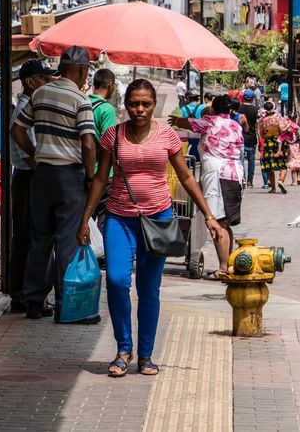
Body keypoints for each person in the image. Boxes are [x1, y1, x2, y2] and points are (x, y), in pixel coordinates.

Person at [77, 79, 225, 377]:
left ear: (154, 104)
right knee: (117, 281)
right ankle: (122, 349)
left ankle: (145, 354)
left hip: (158, 219)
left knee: (148, 289)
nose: (140, 109)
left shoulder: (167, 136)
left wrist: (209, 215)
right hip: (119, 218)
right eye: (134, 104)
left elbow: (185, 178)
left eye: (145, 104)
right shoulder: (113, 135)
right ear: (125, 105)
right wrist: (85, 219)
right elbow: (99, 178)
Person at [11, 46, 97, 322]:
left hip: (43, 176)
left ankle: (34, 301)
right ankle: (66, 306)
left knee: (40, 240)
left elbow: (17, 130)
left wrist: (35, 155)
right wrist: (89, 175)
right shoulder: (80, 100)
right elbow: (87, 143)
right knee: (66, 242)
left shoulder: (40, 94)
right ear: (82, 70)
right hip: (69, 177)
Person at [169, 95, 243, 277]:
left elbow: (185, 123)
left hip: (216, 174)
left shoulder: (209, 122)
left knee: (217, 221)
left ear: (214, 109)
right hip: (235, 174)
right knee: (225, 222)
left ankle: (223, 268)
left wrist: (176, 120)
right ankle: (227, 263)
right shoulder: (236, 125)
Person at [8, 59, 57, 313]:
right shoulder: (26, 108)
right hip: (27, 176)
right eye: (43, 78)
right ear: (30, 82)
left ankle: (23, 293)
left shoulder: (32, 105)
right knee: (27, 237)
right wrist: (35, 158)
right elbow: (19, 134)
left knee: (28, 237)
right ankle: (22, 295)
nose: (48, 81)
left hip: (28, 176)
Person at [89, 69, 118, 233]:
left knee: (86, 215)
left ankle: (85, 256)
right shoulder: (106, 109)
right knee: (103, 216)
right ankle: (100, 256)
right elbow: (108, 142)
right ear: (110, 85)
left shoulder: (83, 102)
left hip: (83, 169)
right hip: (102, 172)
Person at [258, 102, 288, 194]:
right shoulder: (280, 119)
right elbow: (283, 131)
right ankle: (281, 180)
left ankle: (273, 188)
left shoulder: (262, 120)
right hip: (279, 143)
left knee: (270, 167)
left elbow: (261, 133)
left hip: (268, 143)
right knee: (283, 164)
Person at [237, 90, 259, 188]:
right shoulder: (255, 109)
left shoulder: (238, 108)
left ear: (243, 97)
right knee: (251, 160)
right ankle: (250, 180)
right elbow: (258, 125)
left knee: (240, 160)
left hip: (240, 137)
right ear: (253, 98)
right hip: (251, 137)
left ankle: (243, 178)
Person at [180, 91, 206, 161]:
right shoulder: (204, 107)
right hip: (200, 137)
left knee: (189, 158)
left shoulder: (183, 109)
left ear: (188, 99)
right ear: (197, 99)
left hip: (188, 138)